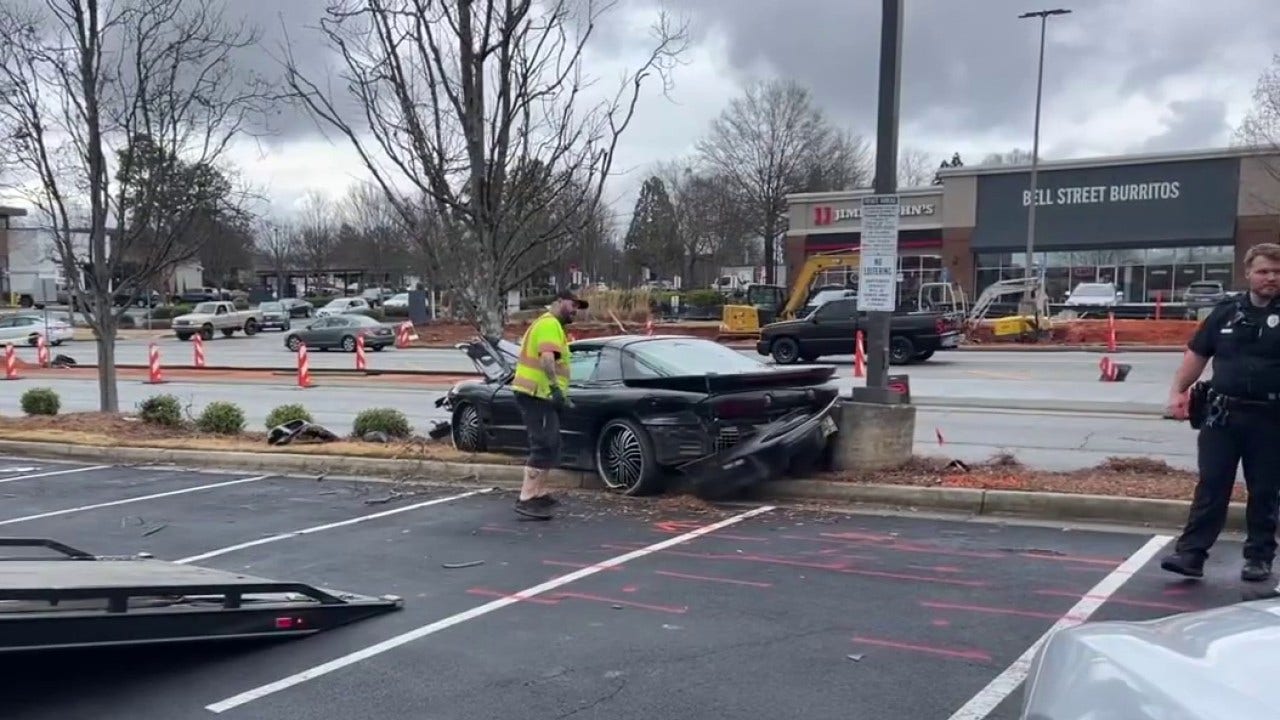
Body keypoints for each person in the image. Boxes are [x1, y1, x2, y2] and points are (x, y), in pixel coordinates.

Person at [1162, 242, 1280, 582]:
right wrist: (1178, 392)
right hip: (1222, 416)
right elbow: (1197, 354)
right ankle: (1191, 555)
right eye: (1263, 271)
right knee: (1212, 485)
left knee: (1265, 489)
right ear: (1248, 274)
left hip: (1271, 419)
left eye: (1276, 271)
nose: (1270, 277)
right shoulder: (1226, 312)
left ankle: (1259, 557)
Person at [509, 289, 587, 520]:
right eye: (573, 305)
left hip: (541, 395)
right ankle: (526, 497)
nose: (575, 311)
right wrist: (554, 388)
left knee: (552, 444)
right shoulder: (549, 324)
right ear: (559, 302)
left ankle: (539, 494)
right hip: (536, 394)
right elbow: (546, 359)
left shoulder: (552, 326)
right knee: (543, 443)